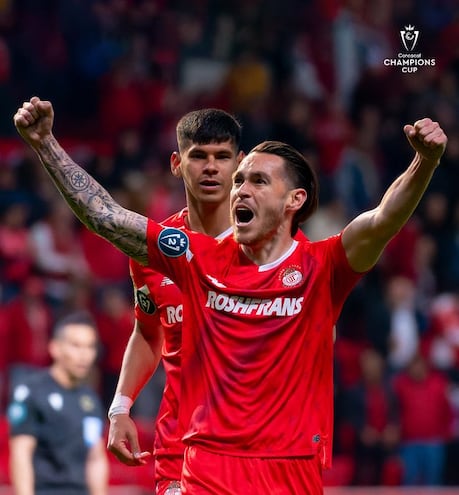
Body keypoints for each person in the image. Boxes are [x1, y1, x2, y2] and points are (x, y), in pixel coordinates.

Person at [14, 96, 447, 494]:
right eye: (239, 180)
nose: (235, 185)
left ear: (295, 199)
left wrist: (423, 163)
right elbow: (104, 217)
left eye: (253, 178)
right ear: (177, 164)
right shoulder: (190, 255)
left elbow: (383, 220)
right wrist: (45, 144)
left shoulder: (322, 266)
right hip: (202, 461)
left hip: (291, 466)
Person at [106, 108, 244, 495]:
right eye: (199, 156)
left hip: (256, 447)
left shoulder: (273, 246)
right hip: (180, 447)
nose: (211, 168)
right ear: (176, 163)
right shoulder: (153, 251)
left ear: (241, 163)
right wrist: (121, 407)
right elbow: (149, 333)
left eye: (222, 157)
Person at [7, 310, 109, 495]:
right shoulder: (31, 392)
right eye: (76, 346)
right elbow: (21, 455)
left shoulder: (90, 400)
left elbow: (95, 459)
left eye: (90, 347)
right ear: (55, 348)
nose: (84, 354)